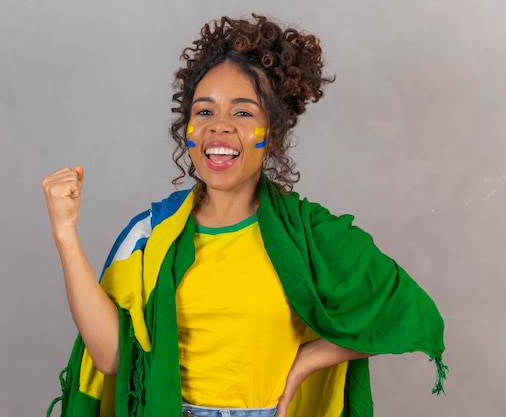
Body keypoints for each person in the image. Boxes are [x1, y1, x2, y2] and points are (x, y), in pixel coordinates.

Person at [42, 14, 446, 417]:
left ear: (271, 134)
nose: (219, 129)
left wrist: (308, 361)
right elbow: (111, 358)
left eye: (242, 113)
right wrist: (65, 231)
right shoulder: (151, 233)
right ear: (187, 129)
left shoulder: (307, 236)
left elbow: (406, 311)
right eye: (204, 112)